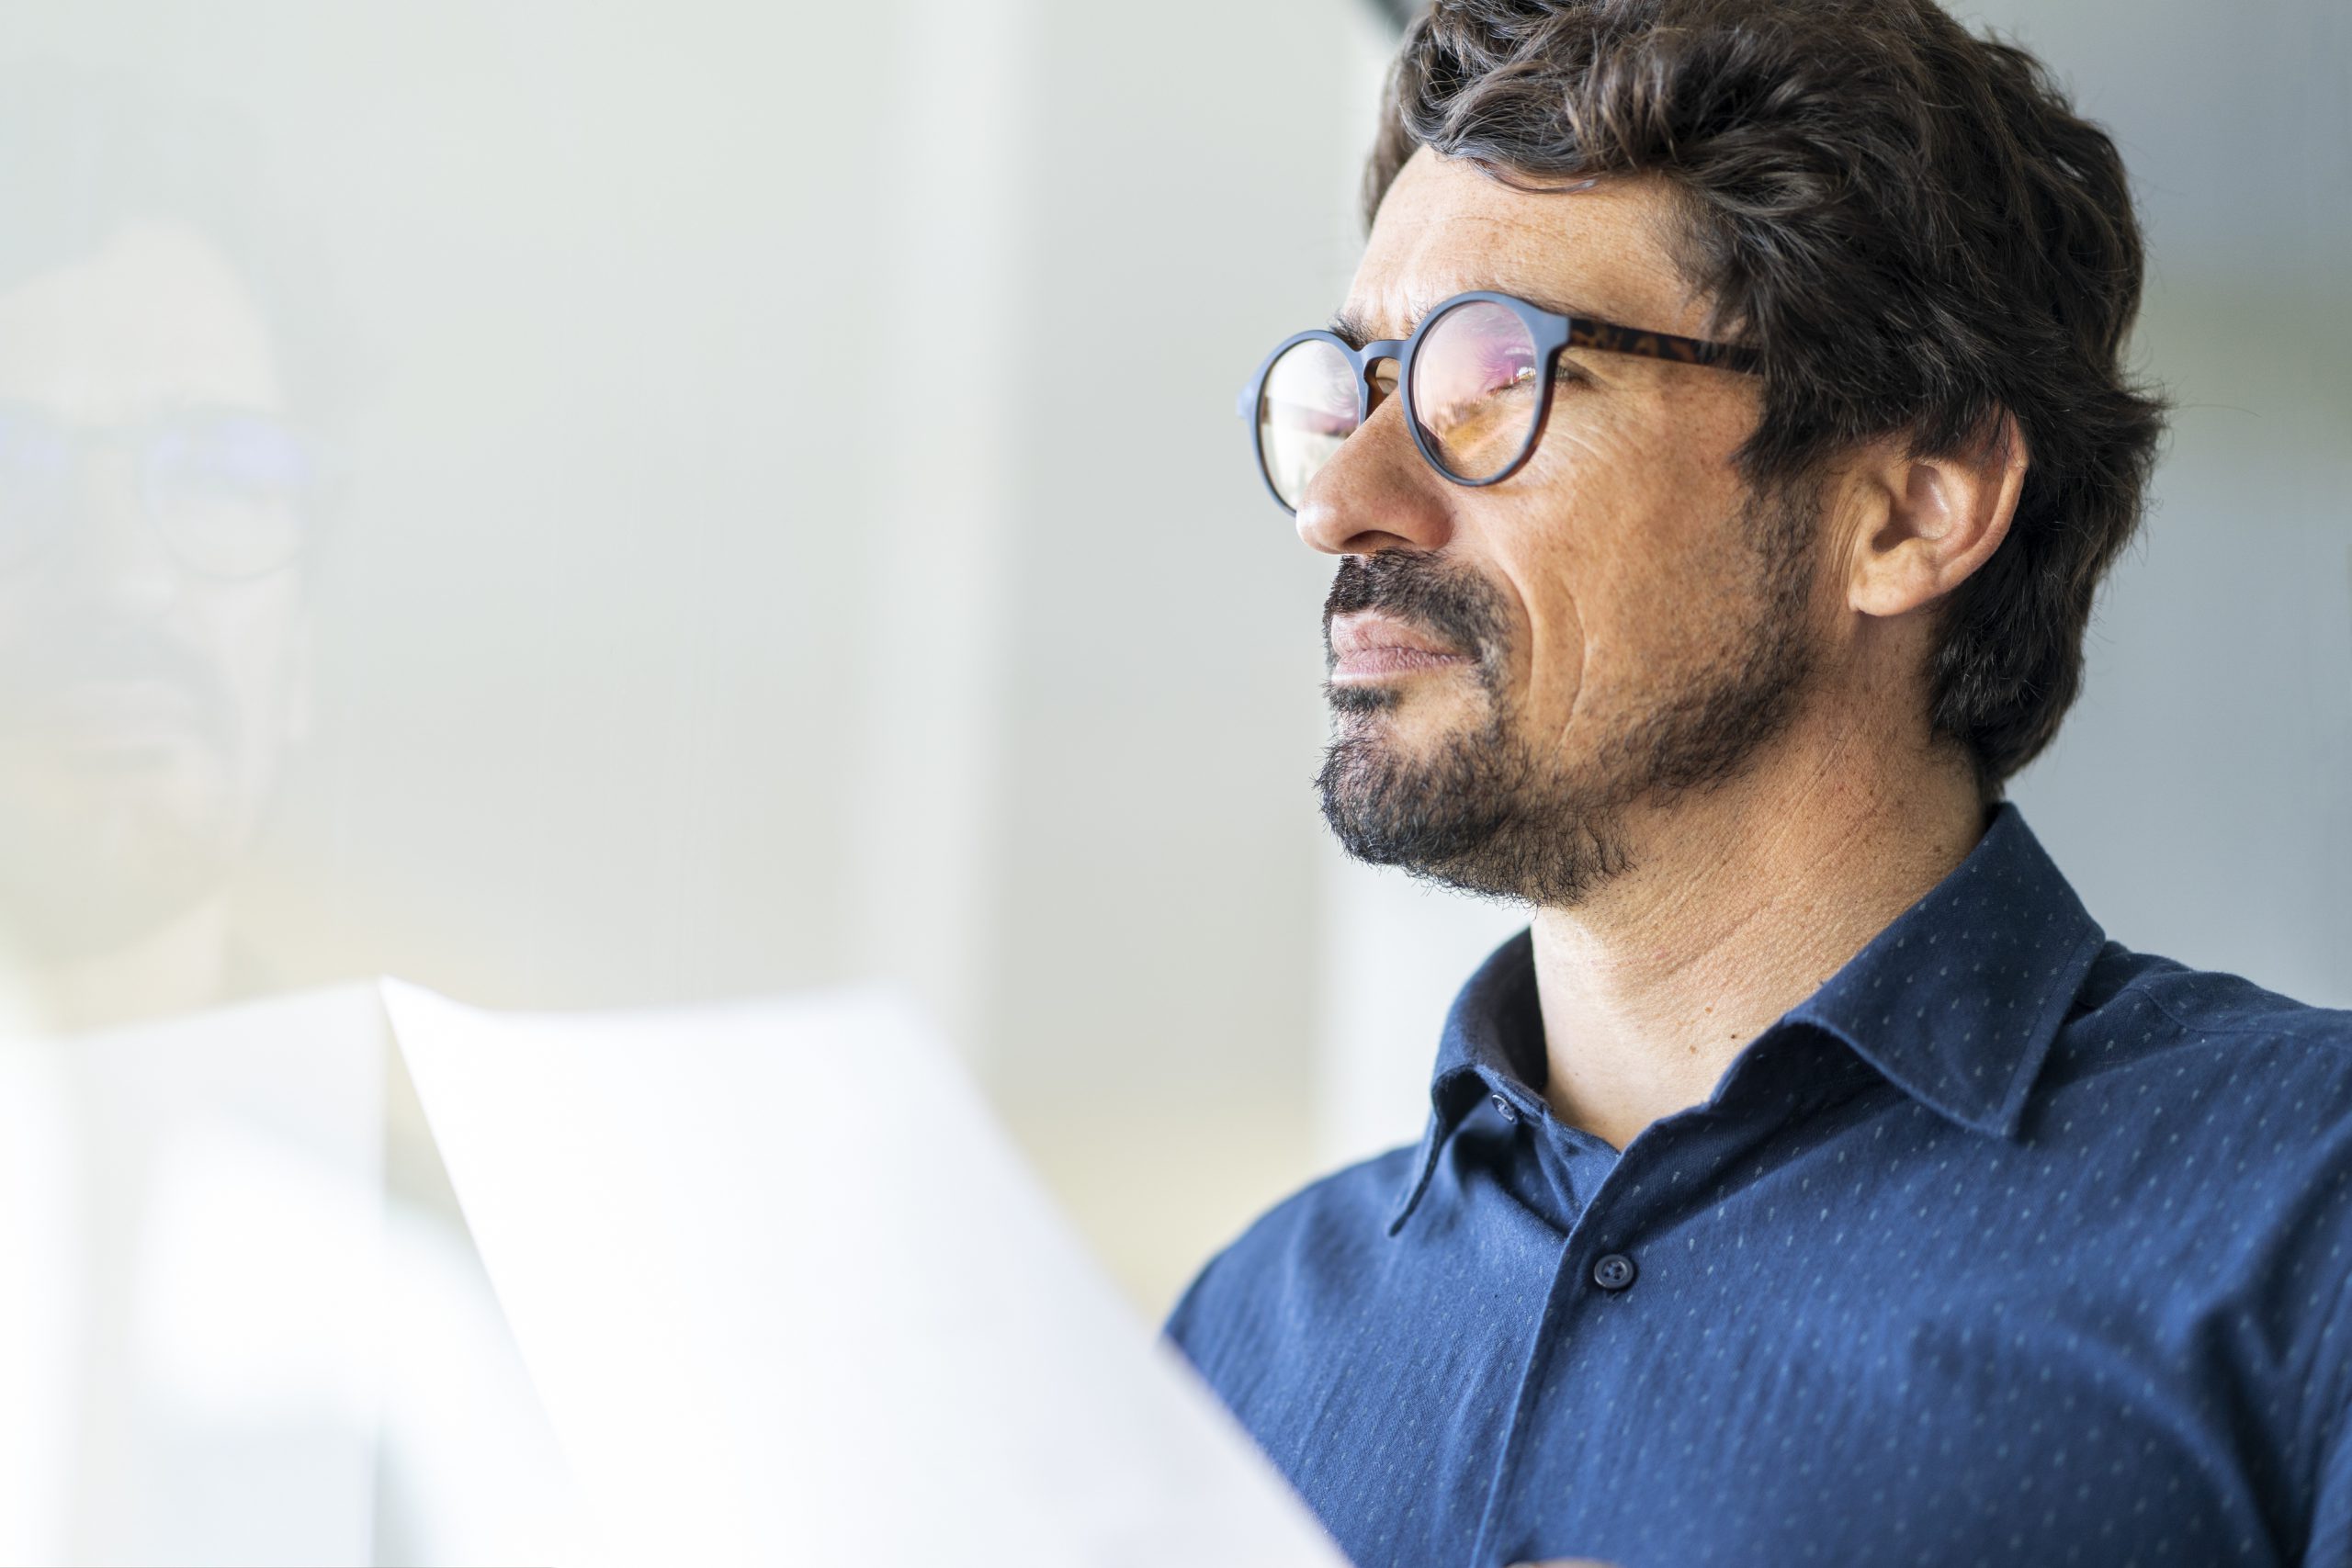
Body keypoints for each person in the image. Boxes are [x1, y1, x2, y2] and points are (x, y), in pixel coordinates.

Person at [1163, 3, 2352, 1564]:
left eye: (1491, 382)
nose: (1344, 503)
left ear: (1913, 510)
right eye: (1354, 390)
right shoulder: (1241, 1338)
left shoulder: (2309, 1211)